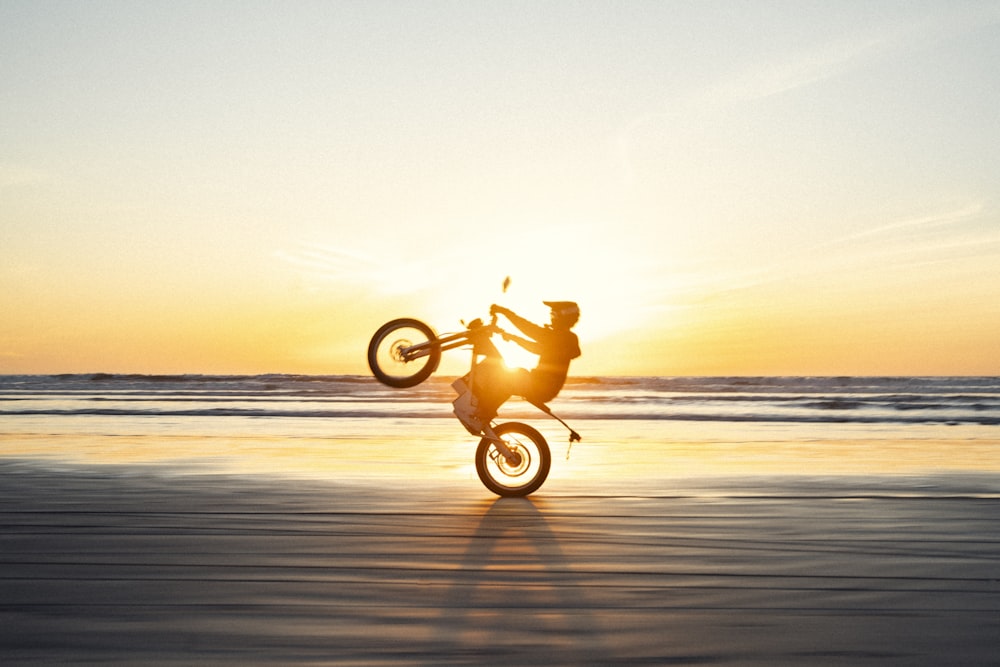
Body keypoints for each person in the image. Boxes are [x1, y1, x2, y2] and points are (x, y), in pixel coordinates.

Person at [471, 300, 581, 422]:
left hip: (540, 387)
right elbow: (537, 348)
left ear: (563, 318)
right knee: (511, 375)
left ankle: (484, 412)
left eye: (554, 315)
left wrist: (505, 312)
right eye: (551, 314)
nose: (551, 318)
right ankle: (485, 410)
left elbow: (527, 328)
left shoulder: (561, 337)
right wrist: (513, 337)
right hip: (541, 386)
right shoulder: (563, 338)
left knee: (504, 373)